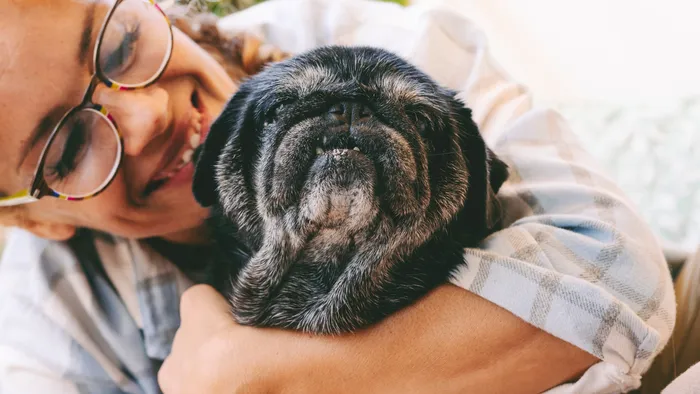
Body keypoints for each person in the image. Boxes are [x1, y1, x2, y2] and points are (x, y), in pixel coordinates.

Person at [0, 0, 675, 393]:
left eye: (120, 46)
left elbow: (624, 280)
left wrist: (260, 377)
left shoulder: (367, 40)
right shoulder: (42, 327)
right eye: (66, 149)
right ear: (36, 218)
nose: (146, 117)